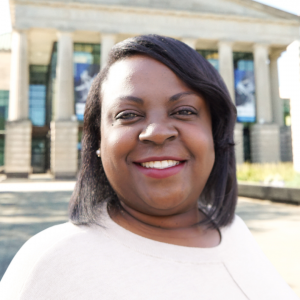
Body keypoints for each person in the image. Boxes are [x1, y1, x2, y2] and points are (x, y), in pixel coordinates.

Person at [0, 34, 298, 300]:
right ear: (98, 143)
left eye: (184, 111)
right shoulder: (51, 261)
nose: (156, 132)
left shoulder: (235, 232)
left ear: (215, 134)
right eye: (128, 115)